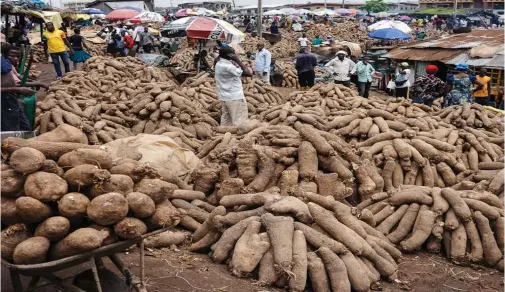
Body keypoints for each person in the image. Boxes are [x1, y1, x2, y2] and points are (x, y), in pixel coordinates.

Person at [214, 46, 252, 126]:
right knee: (239, 122)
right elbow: (248, 73)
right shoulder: (229, 67)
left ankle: (223, 136)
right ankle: (238, 138)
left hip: (225, 97)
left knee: (226, 122)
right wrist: (237, 60)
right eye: (234, 53)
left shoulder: (218, 64)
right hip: (235, 97)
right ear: (230, 55)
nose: (235, 55)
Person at [1, 56, 35, 131]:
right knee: (11, 131)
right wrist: (18, 89)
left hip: (11, 98)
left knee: (25, 128)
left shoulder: (2, 59)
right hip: (3, 100)